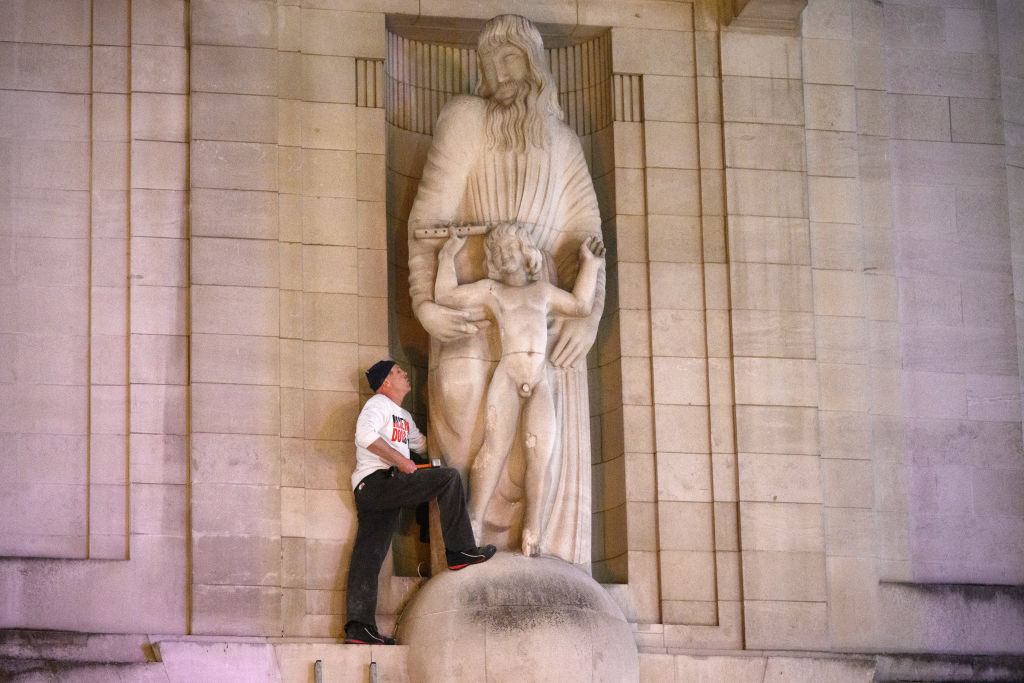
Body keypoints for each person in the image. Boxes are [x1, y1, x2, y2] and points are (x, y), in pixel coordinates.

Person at [406, 14, 604, 565]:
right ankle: (465, 544)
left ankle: (535, 544)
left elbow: (589, 238)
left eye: (511, 57)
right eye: (489, 63)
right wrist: (425, 305)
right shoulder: (464, 120)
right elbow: (428, 220)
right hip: (470, 296)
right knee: (471, 417)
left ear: (535, 65)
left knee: (540, 443)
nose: (499, 72)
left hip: (543, 319)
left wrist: (588, 318)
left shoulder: (563, 144)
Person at [434, 225, 605, 556]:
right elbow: (446, 295)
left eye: (511, 248)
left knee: (539, 455)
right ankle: (473, 523)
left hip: (539, 377)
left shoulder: (542, 291)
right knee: (494, 448)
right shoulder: (493, 291)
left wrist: (590, 265)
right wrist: (446, 255)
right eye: (497, 251)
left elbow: (581, 306)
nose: (504, 255)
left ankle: (532, 529)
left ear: (527, 252)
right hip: (509, 375)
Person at [344, 360, 495, 645]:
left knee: (369, 556)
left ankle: (358, 628)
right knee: (449, 479)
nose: (404, 374)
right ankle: (460, 551)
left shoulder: (402, 416)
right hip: (376, 483)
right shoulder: (377, 405)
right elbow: (364, 437)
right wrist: (402, 460)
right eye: (398, 372)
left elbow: (423, 445)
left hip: (383, 491)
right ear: (386, 382)